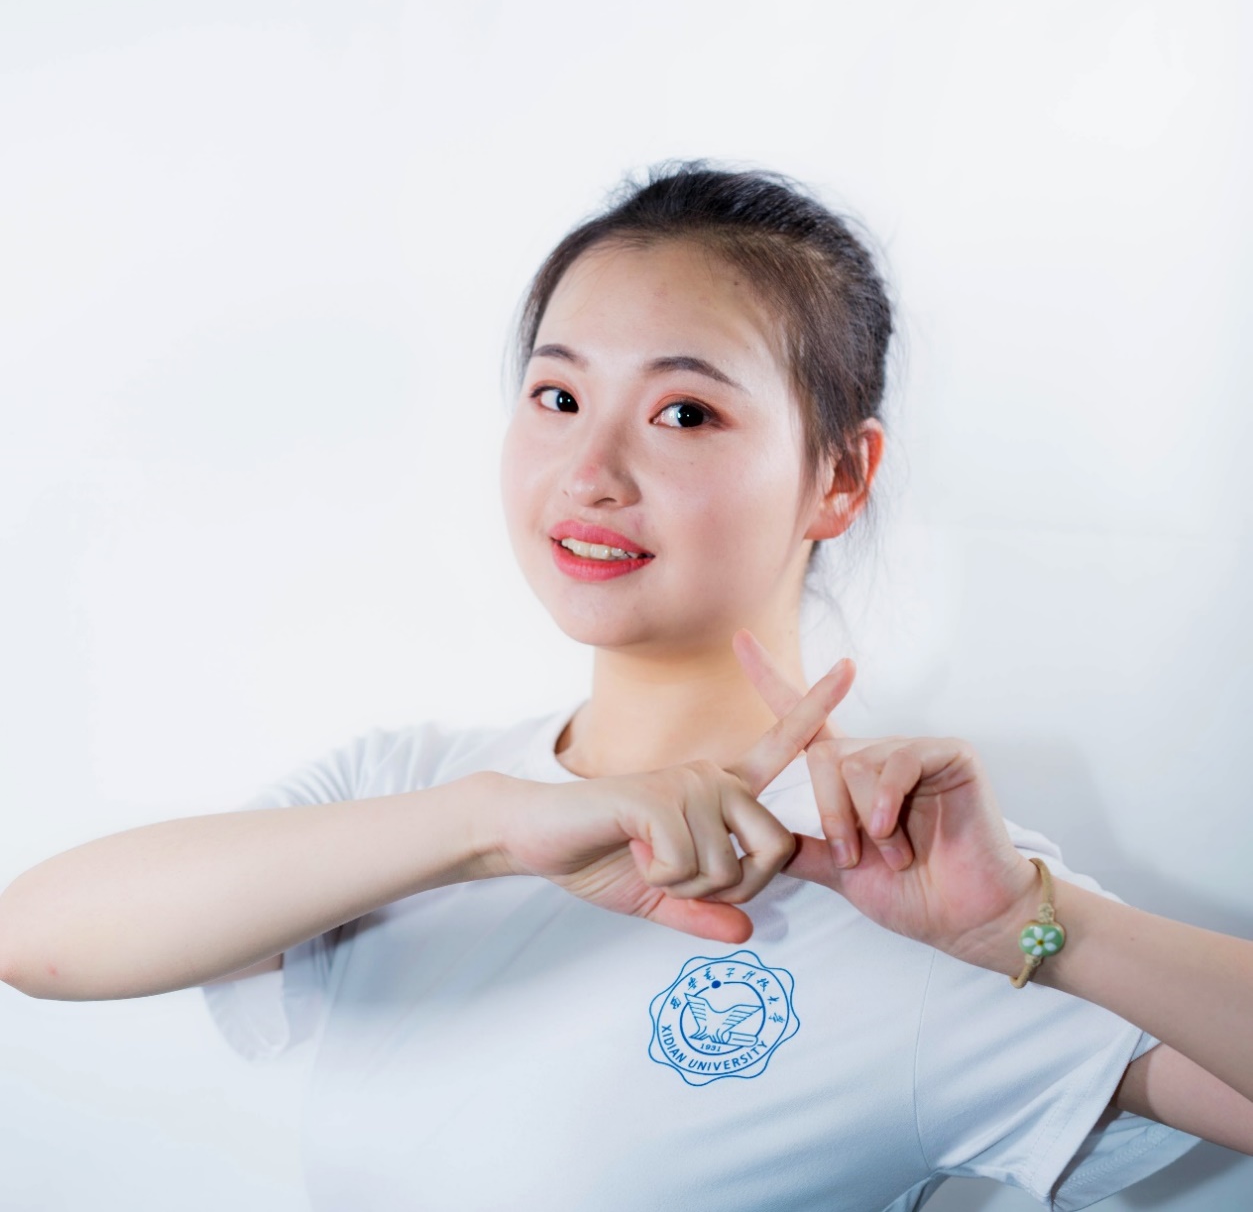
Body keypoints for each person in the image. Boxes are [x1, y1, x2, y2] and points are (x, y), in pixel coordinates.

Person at [1, 160, 1250, 1211]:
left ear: (838, 478)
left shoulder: (921, 887)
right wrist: (488, 829)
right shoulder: (415, 786)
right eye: (556, 395)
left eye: (684, 412)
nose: (587, 468)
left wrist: (1034, 925)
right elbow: (38, 940)